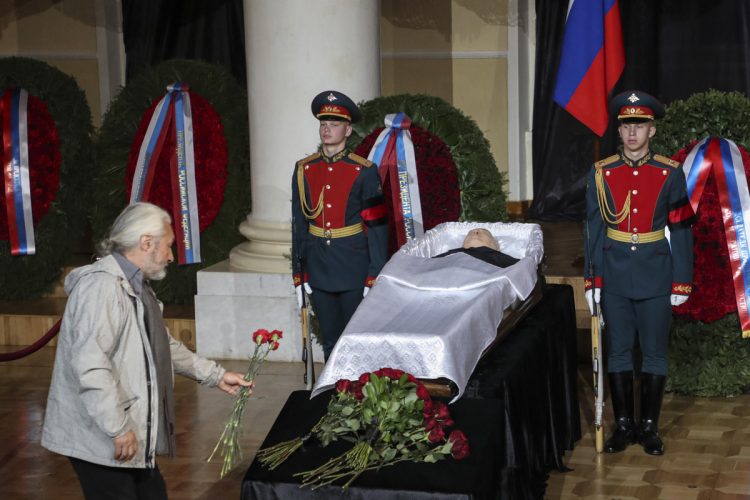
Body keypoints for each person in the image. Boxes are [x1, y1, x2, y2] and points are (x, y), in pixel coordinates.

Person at [41, 202, 253, 499]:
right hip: (101, 436)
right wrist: (117, 428)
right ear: (146, 242)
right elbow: (91, 366)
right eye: (168, 246)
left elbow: (162, 345)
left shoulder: (136, 286)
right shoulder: (102, 289)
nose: (171, 256)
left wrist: (215, 376)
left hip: (127, 431)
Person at [584, 90, 695, 455]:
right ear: (619, 131)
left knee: (653, 353)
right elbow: (594, 230)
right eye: (626, 125)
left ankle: (648, 427)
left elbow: (680, 229)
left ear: (653, 130)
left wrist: (681, 279)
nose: (632, 132)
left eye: (640, 125)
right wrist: (592, 280)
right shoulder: (602, 174)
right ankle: (624, 426)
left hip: (656, 275)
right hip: (614, 276)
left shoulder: (670, 173)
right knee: (617, 352)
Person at [291, 90, 388, 360]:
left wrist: (374, 274)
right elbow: (299, 224)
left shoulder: (364, 170)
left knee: (356, 340)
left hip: (354, 266)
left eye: (334, 125)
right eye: (324, 124)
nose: (327, 130)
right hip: (319, 266)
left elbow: (378, 227)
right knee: (330, 341)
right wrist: (298, 274)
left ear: (348, 130)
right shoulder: (304, 169)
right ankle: (334, 396)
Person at [434, 227, 520, 268]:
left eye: (483, 232)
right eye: (469, 233)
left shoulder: (501, 258)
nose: (475, 232)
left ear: (496, 246)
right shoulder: (451, 253)